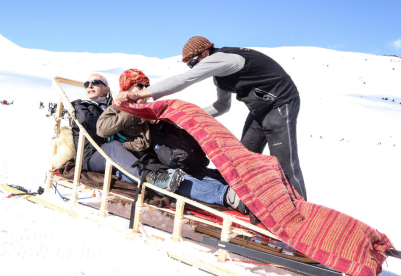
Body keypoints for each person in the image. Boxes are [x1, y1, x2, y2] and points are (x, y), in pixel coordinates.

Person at [114, 36, 307, 200]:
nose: (193, 68)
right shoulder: (220, 75)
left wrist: (139, 95)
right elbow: (222, 106)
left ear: (206, 53)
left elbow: (183, 80)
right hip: (259, 109)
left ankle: (302, 212)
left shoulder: (222, 59)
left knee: (285, 161)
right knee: (245, 158)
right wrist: (184, 117)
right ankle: (253, 204)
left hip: (281, 102)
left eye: (193, 62)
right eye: (189, 65)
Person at [98, 69, 249, 214]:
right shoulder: (116, 108)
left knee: (199, 172)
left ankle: (244, 188)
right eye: (139, 86)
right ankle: (227, 196)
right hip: (140, 160)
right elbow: (102, 129)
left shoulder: (151, 107)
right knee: (180, 180)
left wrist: (160, 121)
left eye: (146, 86)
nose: (143, 90)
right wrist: (134, 111)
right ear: (127, 88)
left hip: (164, 155)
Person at [71, 73, 184, 193]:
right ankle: (151, 179)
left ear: (107, 89)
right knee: (112, 147)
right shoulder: (82, 106)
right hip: (93, 157)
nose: (90, 86)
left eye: (95, 83)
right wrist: (134, 113)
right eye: (86, 84)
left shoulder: (113, 105)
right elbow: (93, 126)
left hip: (118, 153)